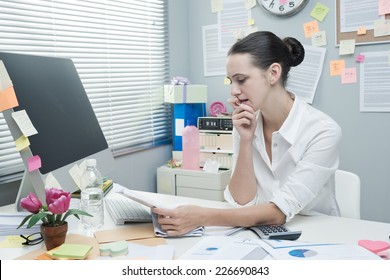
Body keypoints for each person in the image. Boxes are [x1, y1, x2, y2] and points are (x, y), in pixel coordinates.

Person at [153, 31, 342, 236]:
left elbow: (279, 211)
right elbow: (242, 202)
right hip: (262, 233)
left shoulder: (323, 131)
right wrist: (245, 140)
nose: (233, 91)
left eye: (241, 80)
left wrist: (202, 216)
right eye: (230, 81)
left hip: (320, 234)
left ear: (273, 73)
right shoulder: (245, 122)